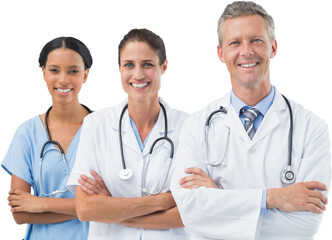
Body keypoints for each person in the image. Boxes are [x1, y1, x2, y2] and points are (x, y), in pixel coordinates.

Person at [170, 1, 331, 239]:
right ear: (221, 53)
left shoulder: (312, 128)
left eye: (256, 40)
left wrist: (218, 199)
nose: (247, 51)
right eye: (235, 42)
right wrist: (274, 198)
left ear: (273, 48)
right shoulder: (196, 127)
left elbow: (304, 225)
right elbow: (190, 213)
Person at [67, 28, 189, 240]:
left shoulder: (189, 127)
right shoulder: (96, 125)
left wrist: (110, 209)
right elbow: (85, 209)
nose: (138, 74)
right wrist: (161, 201)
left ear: (164, 66)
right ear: (120, 68)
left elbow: (188, 214)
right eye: (129, 65)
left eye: (148, 64)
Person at [2, 36, 92, 240]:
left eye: (73, 71)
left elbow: (116, 202)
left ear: (85, 74)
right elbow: (20, 212)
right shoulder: (27, 133)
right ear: (43, 72)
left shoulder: (104, 128)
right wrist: (88, 207)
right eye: (54, 70)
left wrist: (41, 204)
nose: (63, 79)